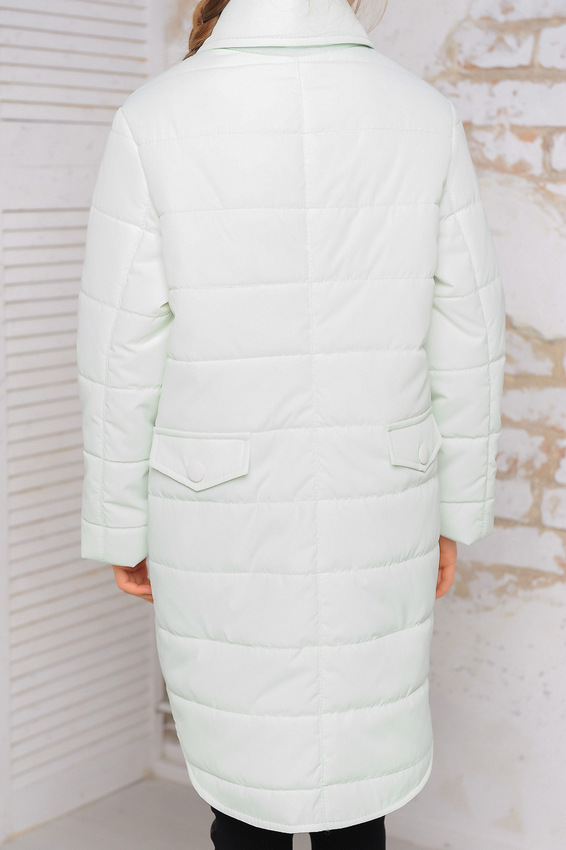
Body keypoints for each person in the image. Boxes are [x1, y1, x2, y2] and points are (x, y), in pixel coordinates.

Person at [76, 0, 506, 847]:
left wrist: (121, 519)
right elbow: (469, 335)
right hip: (380, 497)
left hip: (217, 504)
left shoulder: (155, 117)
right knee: (359, 775)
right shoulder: (423, 115)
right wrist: (456, 512)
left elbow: (120, 348)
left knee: (244, 781)